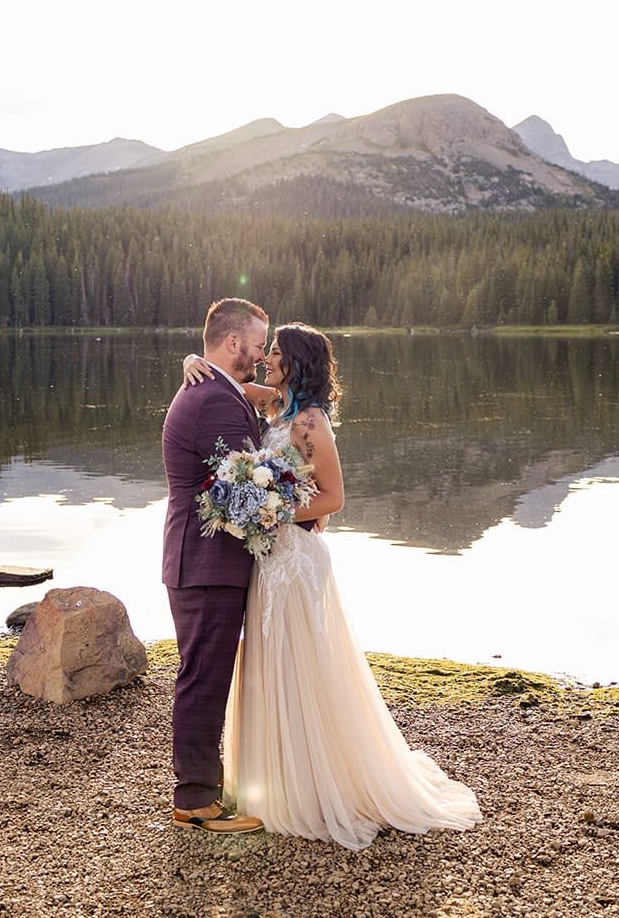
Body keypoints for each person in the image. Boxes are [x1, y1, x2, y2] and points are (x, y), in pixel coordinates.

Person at [181, 322, 482, 849]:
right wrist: (190, 359)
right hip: (269, 561)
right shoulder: (276, 406)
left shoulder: (311, 422)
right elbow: (227, 382)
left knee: (303, 664)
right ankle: (273, 785)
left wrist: (276, 512)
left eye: (275, 353)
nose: (266, 358)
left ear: (295, 363)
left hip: (294, 559)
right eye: (265, 350)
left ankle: (315, 787)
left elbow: (334, 499)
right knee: (270, 663)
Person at [161, 297, 270, 834]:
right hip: (206, 561)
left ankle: (202, 785)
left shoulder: (215, 389)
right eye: (256, 343)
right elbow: (245, 488)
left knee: (204, 673)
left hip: (199, 559)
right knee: (204, 677)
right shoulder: (216, 401)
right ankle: (196, 800)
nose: (261, 352)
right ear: (232, 343)